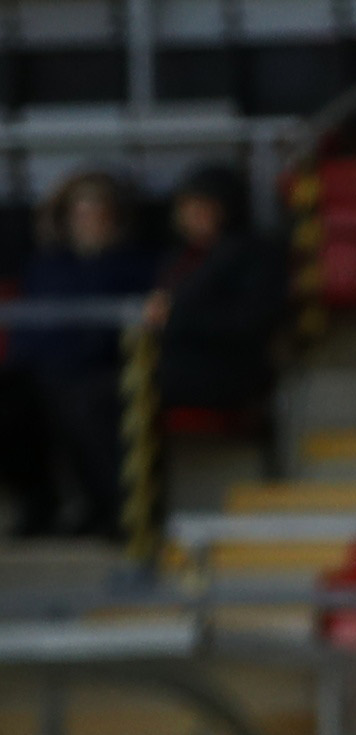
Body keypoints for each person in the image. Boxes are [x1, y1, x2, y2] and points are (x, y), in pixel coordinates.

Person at [7, 171, 158, 536]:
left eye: (98, 212)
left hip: (106, 369)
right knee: (10, 405)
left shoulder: (137, 264)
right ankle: (38, 504)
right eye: (80, 212)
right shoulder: (46, 266)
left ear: (115, 217)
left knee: (86, 403)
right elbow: (29, 327)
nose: (88, 221)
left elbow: (127, 328)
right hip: (46, 371)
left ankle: (115, 511)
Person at [149, 163, 287, 423]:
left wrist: (175, 315)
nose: (194, 215)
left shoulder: (254, 255)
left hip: (226, 371)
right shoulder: (178, 258)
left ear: (227, 208)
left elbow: (250, 321)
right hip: (175, 364)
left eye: (204, 207)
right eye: (188, 207)